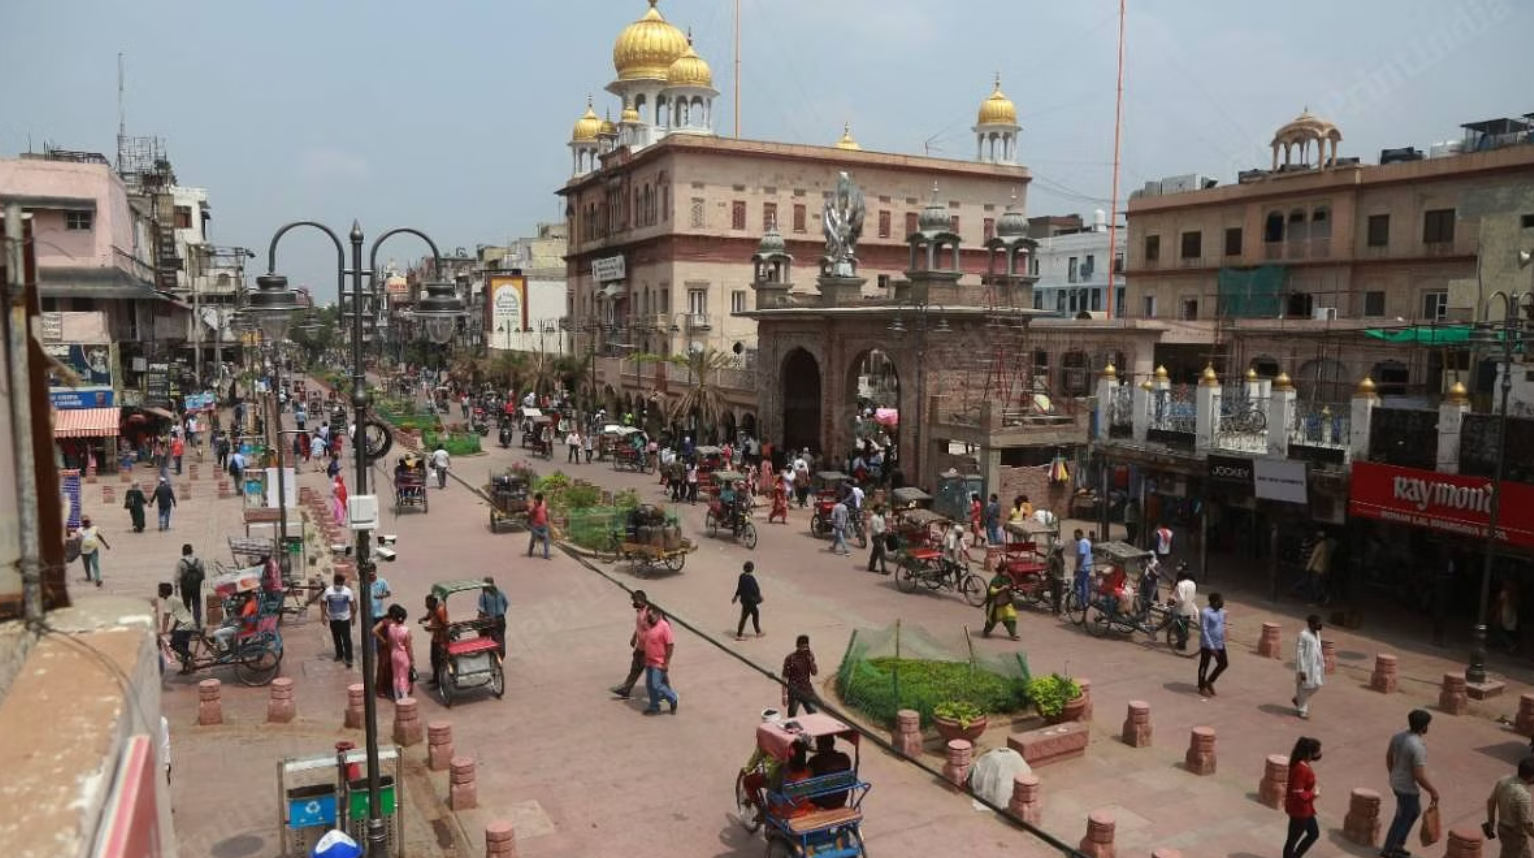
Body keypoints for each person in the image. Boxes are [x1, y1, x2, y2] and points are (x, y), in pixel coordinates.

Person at [1383, 709, 1440, 858]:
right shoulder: (1418, 746)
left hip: (1396, 782)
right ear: (1423, 727)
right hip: (1407, 789)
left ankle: (1396, 845)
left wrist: (1393, 774)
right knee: (1403, 818)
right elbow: (1419, 776)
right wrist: (1433, 791)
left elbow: (1389, 757)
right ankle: (1389, 850)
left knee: (1412, 812)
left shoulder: (1398, 737)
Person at [1283, 736, 1324, 858]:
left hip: (1305, 809)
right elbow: (1298, 793)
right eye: (1317, 751)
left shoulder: (1302, 764)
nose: (1319, 753)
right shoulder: (1302, 769)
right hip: (1300, 810)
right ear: (1309, 753)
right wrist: (1314, 794)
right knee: (1292, 841)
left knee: (1313, 833)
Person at [1486, 756, 1534, 858]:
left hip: (1502, 828)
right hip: (1515, 836)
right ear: (1532, 777)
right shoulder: (1524, 795)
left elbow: (1490, 801)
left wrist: (1490, 822)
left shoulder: (1503, 780)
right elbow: (1527, 823)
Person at [609, 590, 651, 699]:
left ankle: (667, 694)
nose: (633, 603)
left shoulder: (648, 613)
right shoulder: (640, 611)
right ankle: (626, 689)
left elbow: (652, 632)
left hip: (648, 649)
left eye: (634, 601)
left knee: (653, 674)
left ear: (641, 600)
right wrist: (634, 637)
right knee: (635, 668)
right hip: (640, 647)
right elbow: (640, 627)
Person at [641, 606, 678, 715]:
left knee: (656, 684)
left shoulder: (664, 627)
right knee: (649, 685)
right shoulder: (649, 624)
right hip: (649, 661)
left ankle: (673, 697)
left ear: (658, 614)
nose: (649, 617)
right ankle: (654, 707)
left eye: (651, 615)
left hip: (659, 662)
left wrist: (666, 663)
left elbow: (670, 645)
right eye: (648, 615)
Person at [374, 604, 415, 702]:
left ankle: (397, 697)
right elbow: (408, 647)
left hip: (394, 653)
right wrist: (412, 659)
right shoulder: (405, 630)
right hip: (403, 655)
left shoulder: (391, 627)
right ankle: (404, 698)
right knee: (403, 676)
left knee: (396, 676)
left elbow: (390, 640)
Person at [158, 582, 196, 671]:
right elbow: (179, 616)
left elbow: (166, 618)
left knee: (173, 644)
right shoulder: (174, 599)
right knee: (183, 645)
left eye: (159, 590)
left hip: (185, 624)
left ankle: (190, 656)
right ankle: (186, 669)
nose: (158, 592)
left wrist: (163, 631)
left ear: (163, 592)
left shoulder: (169, 601)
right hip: (188, 623)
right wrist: (173, 629)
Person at [808, 734, 853, 809]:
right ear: (832, 743)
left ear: (819, 745)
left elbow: (807, 779)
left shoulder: (815, 761)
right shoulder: (844, 757)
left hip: (820, 801)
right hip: (840, 800)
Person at [1293, 614, 1325, 719]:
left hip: (1316, 665)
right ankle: (1302, 710)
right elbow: (1299, 653)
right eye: (1317, 623)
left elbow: (1318, 648)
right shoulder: (1303, 634)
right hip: (1306, 666)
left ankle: (1299, 699)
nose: (1319, 625)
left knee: (1317, 685)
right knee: (1303, 687)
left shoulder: (1317, 633)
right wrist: (1301, 670)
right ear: (1311, 624)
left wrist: (1323, 661)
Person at [321, 573, 356, 668]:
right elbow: (323, 603)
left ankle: (349, 658)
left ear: (343, 583)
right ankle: (339, 655)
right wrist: (323, 616)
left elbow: (352, 604)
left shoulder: (347, 591)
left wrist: (353, 617)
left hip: (345, 619)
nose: (338, 586)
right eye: (337, 583)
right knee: (336, 638)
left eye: (340, 584)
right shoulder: (328, 591)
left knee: (346, 639)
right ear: (334, 582)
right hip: (333, 618)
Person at [1197, 592, 1229, 697]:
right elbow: (1204, 630)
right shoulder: (1205, 613)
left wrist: (1225, 632)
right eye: (1220, 600)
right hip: (1207, 644)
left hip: (1219, 643)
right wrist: (1211, 647)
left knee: (1223, 663)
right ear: (1214, 602)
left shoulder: (1221, 612)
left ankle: (1210, 681)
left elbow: (1223, 621)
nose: (1222, 602)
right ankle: (1201, 687)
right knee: (1204, 665)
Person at [782, 634, 819, 716]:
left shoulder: (809, 656)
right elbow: (784, 677)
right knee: (792, 715)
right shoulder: (790, 658)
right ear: (798, 646)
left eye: (806, 647)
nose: (804, 649)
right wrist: (784, 695)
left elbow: (814, 673)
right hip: (794, 691)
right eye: (803, 647)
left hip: (807, 690)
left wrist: (811, 661)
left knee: (814, 714)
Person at [982, 561, 1020, 640]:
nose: (1007, 572)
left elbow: (1012, 586)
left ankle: (1013, 634)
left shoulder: (1008, 577)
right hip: (996, 603)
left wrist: (1010, 588)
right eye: (1006, 570)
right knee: (992, 619)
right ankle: (986, 631)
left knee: (1010, 616)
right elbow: (991, 591)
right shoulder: (995, 580)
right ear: (1002, 570)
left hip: (1006, 602)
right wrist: (1001, 589)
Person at [421, 594, 449, 686]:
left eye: (428, 602)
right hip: (435, 638)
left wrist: (432, 628)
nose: (426, 604)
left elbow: (445, 626)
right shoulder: (432, 609)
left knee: (439, 661)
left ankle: (440, 682)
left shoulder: (440, 610)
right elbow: (428, 616)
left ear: (433, 602)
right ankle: (435, 678)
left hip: (441, 639)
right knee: (433, 659)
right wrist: (422, 619)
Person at [176, 544, 206, 628]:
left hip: (185, 588)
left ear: (183, 552)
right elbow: (203, 575)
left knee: (186, 605)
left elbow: (177, 578)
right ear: (192, 551)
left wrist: (176, 590)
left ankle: (188, 624)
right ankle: (197, 623)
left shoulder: (180, 563)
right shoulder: (199, 561)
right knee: (196, 604)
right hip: (196, 587)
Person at [478, 576, 509, 656]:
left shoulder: (483, 595)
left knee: (489, 638)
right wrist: (502, 613)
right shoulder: (500, 592)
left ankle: (495, 655)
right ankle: (501, 654)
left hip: (491, 621)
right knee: (501, 637)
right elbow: (506, 604)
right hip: (501, 619)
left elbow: (481, 610)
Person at [733, 561, 763, 641]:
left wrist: (735, 596)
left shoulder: (742, 576)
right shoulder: (751, 579)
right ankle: (739, 635)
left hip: (744, 600)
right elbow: (755, 589)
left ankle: (758, 632)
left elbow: (739, 588)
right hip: (750, 601)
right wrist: (759, 597)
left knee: (755, 613)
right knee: (745, 617)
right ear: (752, 569)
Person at [77, 515, 110, 587]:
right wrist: (78, 550)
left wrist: (106, 544)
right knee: (86, 565)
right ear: (82, 523)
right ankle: (88, 576)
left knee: (95, 564)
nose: (86, 523)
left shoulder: (94, 528)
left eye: (87, 521)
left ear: (90, 522)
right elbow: (78, 541)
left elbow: (99, 536)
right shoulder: (79, 530)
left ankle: (98, 579)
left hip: (93, 549)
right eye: (84, 522)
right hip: (84, 551)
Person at [1172, 564, 1198, 650]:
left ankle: (1181, 644)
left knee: (1178, 628)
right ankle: (1182, 644)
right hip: (1189, 609)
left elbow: (1182, 599)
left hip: (1181, 610)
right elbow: (1193, 597)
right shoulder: (1192, 584)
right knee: (1185, 627)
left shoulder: (1181, 584)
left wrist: (1175, 602)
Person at [527, 492, 551, 560]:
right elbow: (530, 513)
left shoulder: (544, 504)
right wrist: (534, 507)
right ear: (536, 499)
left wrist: (548, 520)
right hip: (535, 526)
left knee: (546, 539)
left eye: (541, 500)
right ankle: (530, 551)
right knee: (533, 539)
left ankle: (546, 555)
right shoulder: (533, 505)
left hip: (544, 525)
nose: (540, 501)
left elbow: (546, 512)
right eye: (539, 500)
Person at [867, 504, 890, 575]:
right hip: (876, 537)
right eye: (880, 509)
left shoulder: (881, 517)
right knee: (882, 552)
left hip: (881, 536)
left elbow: (882, 526)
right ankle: (883, 569)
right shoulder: (873, 518)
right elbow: (875, 529)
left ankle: (871, 567)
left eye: (882, 509)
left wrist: (886, 529)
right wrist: (883, 531)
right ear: (876, 510)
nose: (882, 510)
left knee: (875, 552)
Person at [1073, 528, 1094, 607]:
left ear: (1079, 534)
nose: (1074, 537)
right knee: (1084, 585)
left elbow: (1082, 555)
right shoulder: (1087, 542)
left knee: (1077, 585)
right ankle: (1084, 601)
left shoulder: (1082, 543)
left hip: (1082, 568)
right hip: (1087, 567)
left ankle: (1079, 603)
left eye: (1075, 535)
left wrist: (1077, 567)